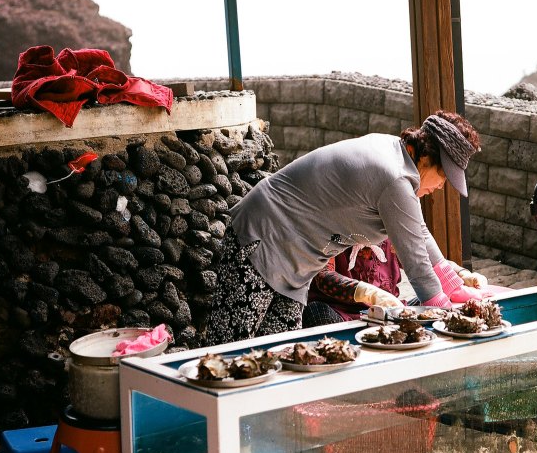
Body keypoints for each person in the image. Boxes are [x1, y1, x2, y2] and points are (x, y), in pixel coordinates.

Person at [205, 110, 486, 344]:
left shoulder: (399, 159)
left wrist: (455, 286)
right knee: (230, 348)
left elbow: (420, 233)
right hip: (264, 236)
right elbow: (417, 265)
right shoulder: (396, 177)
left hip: (297, 262)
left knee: (278, 355)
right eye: (443, 176)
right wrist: (450, 317)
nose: (440, 187)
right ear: (427, 156)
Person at [301, 239, 490, 328]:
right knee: (315, 312)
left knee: (438, 305)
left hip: (390, 314)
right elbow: (323, 276)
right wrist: (368, 292)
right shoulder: (333, 230)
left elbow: (420, 259)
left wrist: (461, 274)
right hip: (341, 315)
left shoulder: (391, 232)